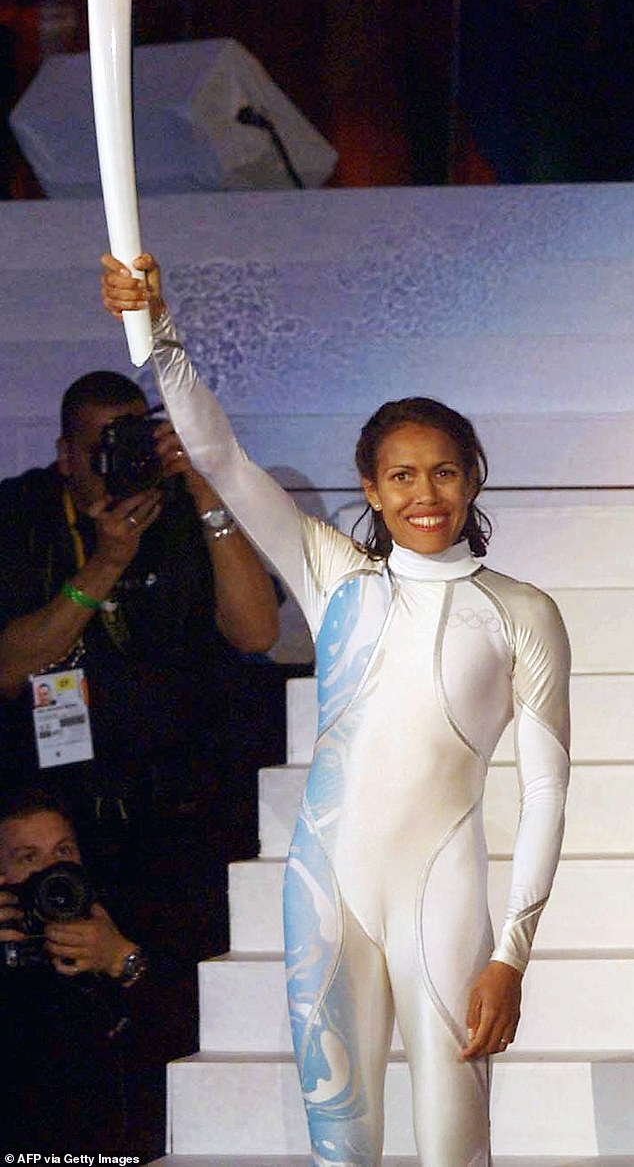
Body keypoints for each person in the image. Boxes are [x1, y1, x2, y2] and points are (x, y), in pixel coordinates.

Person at [101, 251, 571, 1167]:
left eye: (441, 473)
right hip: (325, 893)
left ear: (471, 476)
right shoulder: (334, 576)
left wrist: (511, 954)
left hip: (447, 901)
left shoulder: (521, 611)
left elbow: (548, 790)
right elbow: (222, 458)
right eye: (400, 476)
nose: (423, 494)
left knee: (452, 1148)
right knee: (339, 1149)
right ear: (369, 486)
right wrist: (159, 335)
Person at [0, 369, 280, 971]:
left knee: (177, 996)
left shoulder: (183, 510)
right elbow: (6, 667)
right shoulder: (19, 519)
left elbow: (257, 632)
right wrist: (105, 563)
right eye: (103, 446)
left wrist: (208, 491)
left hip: (184, 818)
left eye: (134, 440)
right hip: (66, 833)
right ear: (66, 456)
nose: (120, 461)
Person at [0, 784, 182, 1157]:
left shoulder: (119, 925)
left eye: (63, 851)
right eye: (29, 857)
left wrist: (122, 960)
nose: (53, 872)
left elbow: (186, 1040)